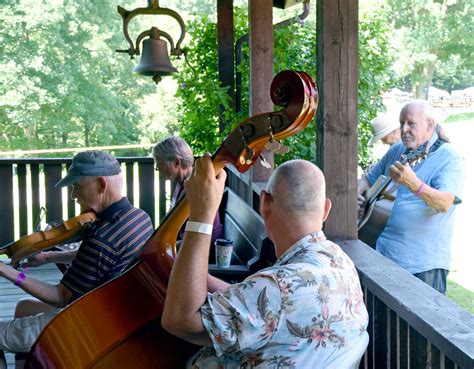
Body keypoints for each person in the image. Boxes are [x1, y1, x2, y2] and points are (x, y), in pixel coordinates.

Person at [162, 157, 369, 368]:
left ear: (265, 204)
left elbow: (179, 321)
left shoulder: (275, 289)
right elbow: (257, 304)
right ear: (325, 209)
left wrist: (201, 215)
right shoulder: (340, 261)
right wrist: (197, 277)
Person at [0, 150, 154, 369]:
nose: (73, 195)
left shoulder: (102, 240)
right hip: (116, 314)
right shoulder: (139, 218)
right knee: (23, 308)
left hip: (86, 324)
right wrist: (49, 256)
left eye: (77, 187)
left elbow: (60, 296)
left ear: (101, 184)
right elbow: (99, 257)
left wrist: (8, 272)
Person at [358, 100, 464, 294]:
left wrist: (414, 184)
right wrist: (355, 199)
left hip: (422, 267)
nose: (404, 129)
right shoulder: (398, 150)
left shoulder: (450, 158)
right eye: (401, 123)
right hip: (383, 256)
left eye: (411, 123)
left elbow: (445, 203)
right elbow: (367, 180)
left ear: (430, 125)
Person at [152, 136, 223, 246]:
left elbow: (200, 239)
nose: (158, 170)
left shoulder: (198, 189)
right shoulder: (183, 183)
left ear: (176, 163)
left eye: (159, 165)